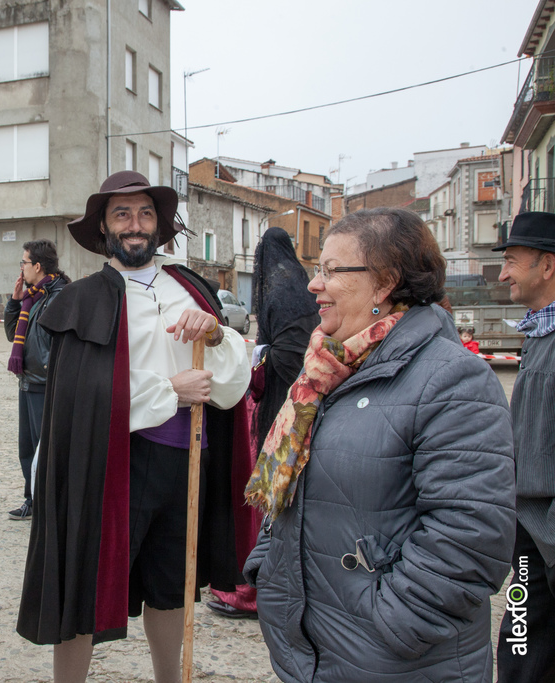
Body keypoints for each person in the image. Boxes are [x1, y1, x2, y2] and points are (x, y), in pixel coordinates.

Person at [243, 207, 516, 682]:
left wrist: (389, 623)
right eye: (317, 269)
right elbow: (294, 497)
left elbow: (471, 535)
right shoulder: (325, 370)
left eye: (332, 270)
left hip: (396, 662)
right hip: (310, 653)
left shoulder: (453, 378)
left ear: (385, 283)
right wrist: (268, 572)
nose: (313, 284)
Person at [16, 170, 250, 683]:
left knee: (172, 586)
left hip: (186, 458)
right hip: (110, 464)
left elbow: (235, 377)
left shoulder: (191, 287)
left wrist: (213, 334)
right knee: (86, 583)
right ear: (104, 227)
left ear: (159, 224)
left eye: (145, 213)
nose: (135, 224)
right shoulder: (82, 301)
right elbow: (82, 395)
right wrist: (172, 390)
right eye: (122, 214)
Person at [207, 226, 319, 620]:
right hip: (301, 385)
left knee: (266, 480)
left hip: (279, 393)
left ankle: (252, 589)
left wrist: (264, 364)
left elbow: (278, 342)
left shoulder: (276, 285)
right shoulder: (300, 281)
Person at [495, 211, 555, 682]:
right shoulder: (540, 332)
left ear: (547, 266)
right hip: (528, 535)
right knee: (520, 644)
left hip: (546, 529)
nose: (503, 273)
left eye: (513, 260)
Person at [3, 239, 68, 520]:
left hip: (45, 384)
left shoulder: (59, 296)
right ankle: (31, 499)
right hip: (27, 381)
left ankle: (48, 504)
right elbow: (11, 335)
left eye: (24, 262)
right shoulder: (31, 296)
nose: (21, 268)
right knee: (27, 449)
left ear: (37, 266)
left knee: (48, 449)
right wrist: (14, 302)